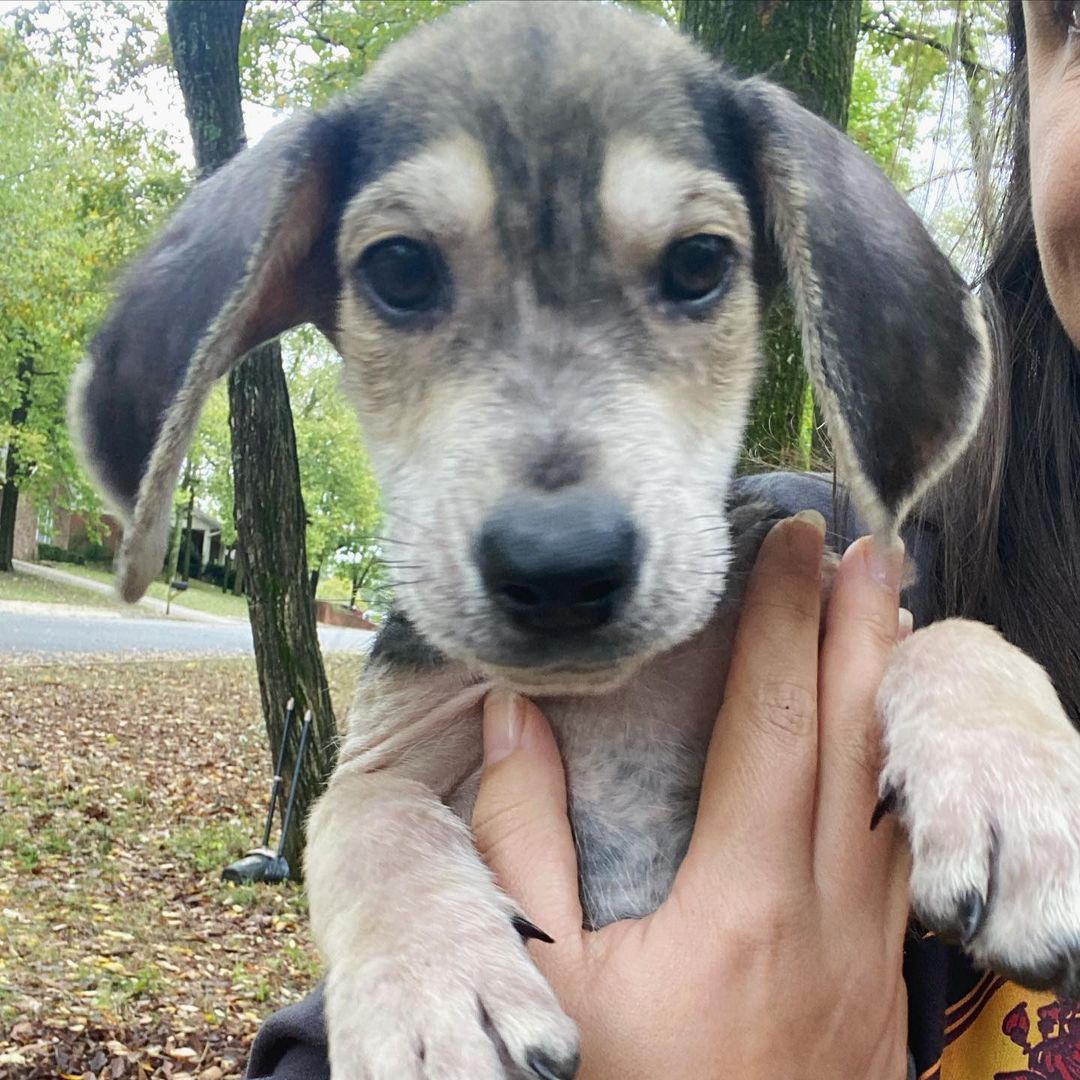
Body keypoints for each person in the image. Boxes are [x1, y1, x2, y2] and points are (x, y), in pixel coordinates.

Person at [247, 2, 1080, 1076]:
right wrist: (384, 878)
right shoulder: (851, 563)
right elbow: (379, 813)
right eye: (408, 274)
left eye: (689, 267)